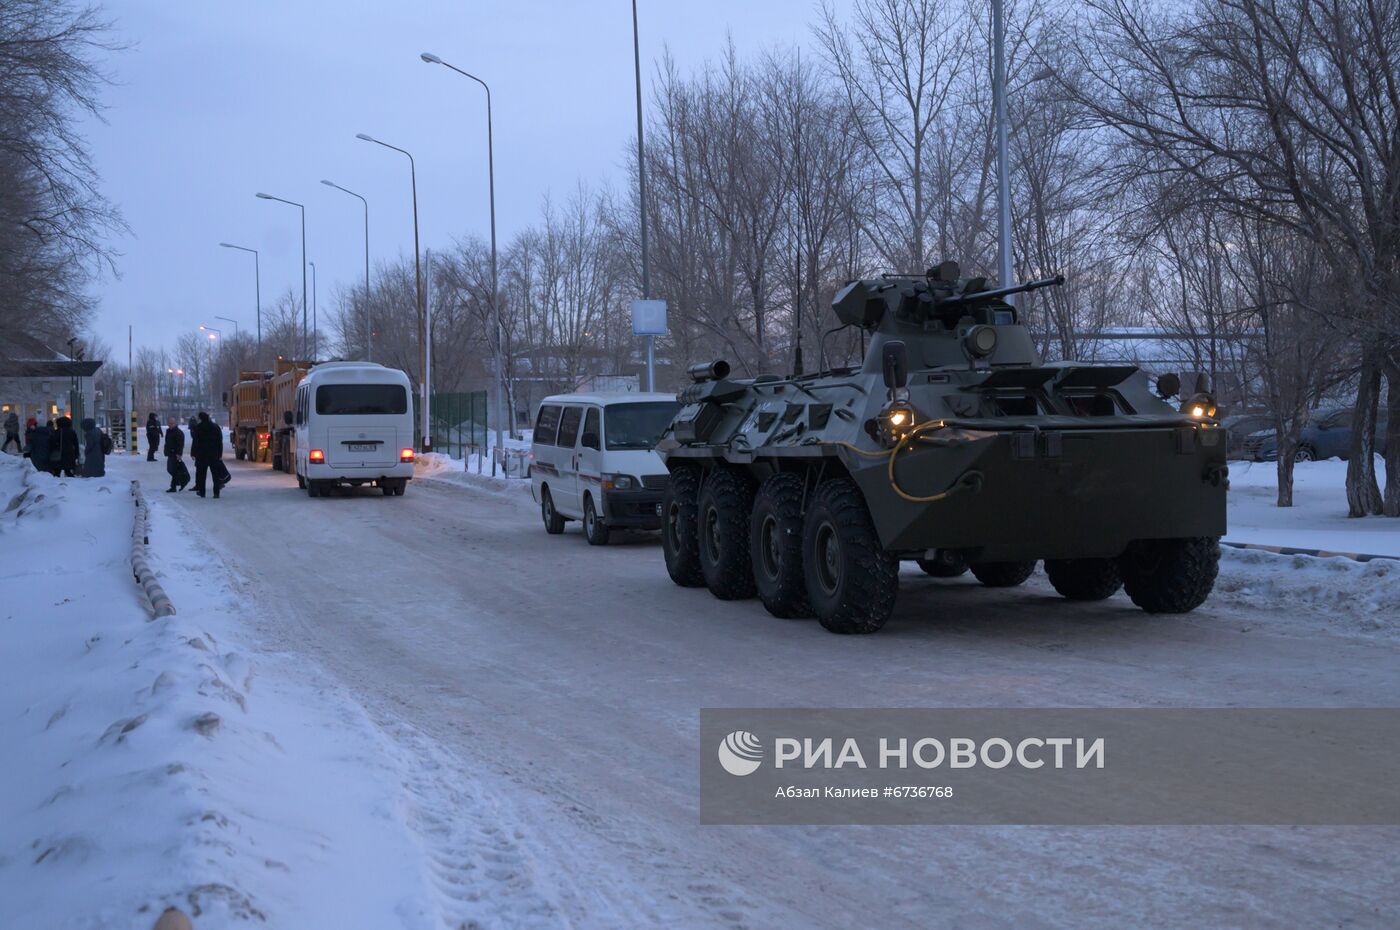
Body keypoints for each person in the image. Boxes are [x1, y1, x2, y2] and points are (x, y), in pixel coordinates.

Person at [190, 411, 227, 498]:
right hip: (214, 454)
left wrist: (193, 453)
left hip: (201, 455)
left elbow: (195, 441)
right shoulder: (215, 427)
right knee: (215, 474)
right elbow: (219, 441)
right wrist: (220, 453)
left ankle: (202, 492)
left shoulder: (198, 428)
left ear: (200, 418)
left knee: (201, 475)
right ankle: (216, 493)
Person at [164, 416, 188, 492]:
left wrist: (179, 454)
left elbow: (180, 444)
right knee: (170, 469)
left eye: (172, 423)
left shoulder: (178, 432)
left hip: (175, 453)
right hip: (170, 453)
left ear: (175, 423)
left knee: (174, 470)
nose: (170, 425)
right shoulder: (168, 431)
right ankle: (182, 480)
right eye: (169, 423)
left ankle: (173, 486)